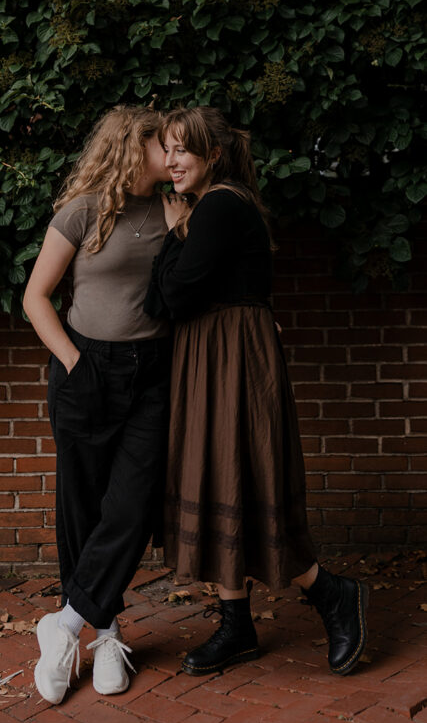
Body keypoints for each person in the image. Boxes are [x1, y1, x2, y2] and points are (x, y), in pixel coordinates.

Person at [144, 105, 368, 678]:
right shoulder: (211, 206)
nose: (171, 161)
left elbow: (171, 297)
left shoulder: (220, 205)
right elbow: (171, 297)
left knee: (246, 473)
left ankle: (332, 593)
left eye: (182, 149)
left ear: (213, 154)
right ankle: (237, 625)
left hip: (232, 357)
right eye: (167, 149)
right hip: (213, 352)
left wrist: (172, 233)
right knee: (224, 475)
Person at [23, 105, 172, 705]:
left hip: (152, 371)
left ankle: (64, 624)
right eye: (163, 145)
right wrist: (73, 362)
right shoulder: (83, 210)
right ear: (134, 148)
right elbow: (36, 297)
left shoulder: (176, 210)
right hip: (85, 366)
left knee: (133, 505)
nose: (173, 154)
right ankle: (105, 634)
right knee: (81, 505)